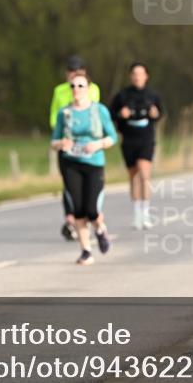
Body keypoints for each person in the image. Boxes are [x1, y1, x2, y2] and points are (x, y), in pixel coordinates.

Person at [52, 73, 117, 265]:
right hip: (71, 162)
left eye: (80, 86)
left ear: (88, 88)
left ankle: (100, 230)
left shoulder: (99, 111)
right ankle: (86, 251)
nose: (76, 90)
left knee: (92, 209)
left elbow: (113, 136)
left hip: (94, 163)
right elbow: (54, 141)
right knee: (78, 210)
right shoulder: (64, 113)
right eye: (73, 86)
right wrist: (61, 143)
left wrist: (97, 145)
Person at [49, 56, 102, 242]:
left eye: (77, 70)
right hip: (67, 144)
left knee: (90, 185)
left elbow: (93, 115)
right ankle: (71, 220)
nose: (73, 76)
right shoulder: (59, 91)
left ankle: (92, 217)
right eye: (70, 71)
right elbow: (54, 117)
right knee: (69, 184)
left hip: (87, 147)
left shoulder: (93, 89)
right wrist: (62, 136)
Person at [109, 63, 164, 230]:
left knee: (144, 173)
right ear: (130, 76)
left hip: (146, 138)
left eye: (141, 74)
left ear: (146, 76)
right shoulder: (122, 96)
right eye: (134, 74)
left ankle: (146, 213)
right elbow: (112, 115)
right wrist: (121, 115)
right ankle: (137, 214)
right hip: (129, 139)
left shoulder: (153, 95)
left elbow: (160, 114)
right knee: (133, 177)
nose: (137, 77)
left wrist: (155, 114)